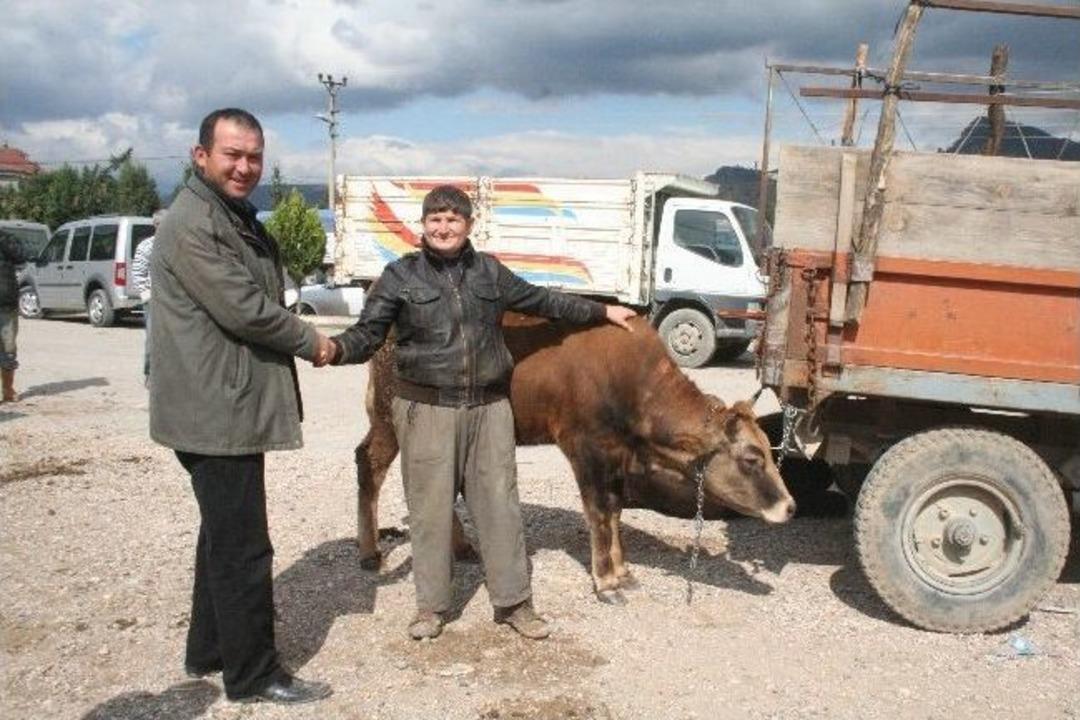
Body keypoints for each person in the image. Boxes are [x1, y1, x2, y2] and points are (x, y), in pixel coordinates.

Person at [327, 185, 636, 641]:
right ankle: (431, 608)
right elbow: (367, 333)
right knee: (430, 512)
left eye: (453, 218)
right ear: (424, 226)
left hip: (489, 407)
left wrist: (602, 310)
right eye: (435, 218)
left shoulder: (490, 272)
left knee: (500, 508)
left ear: (469, 225)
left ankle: (514, 604)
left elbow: (544, 301)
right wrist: (333, 349)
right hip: (426, 407)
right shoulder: (400, 276)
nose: (443, 226)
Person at [149, 108, 337, 705]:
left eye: (254, 156)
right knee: (244, 546)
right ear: (200, 155)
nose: (245, 166)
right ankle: (254, 675)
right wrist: (316, 342)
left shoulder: (228, 214)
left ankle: (208, 650)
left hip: (217, 404)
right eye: (232, 154)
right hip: (215, 410)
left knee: (220, 537)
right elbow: (244, 309)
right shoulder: (193, 224)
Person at [130, 209, 165, 385]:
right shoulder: (147, 246)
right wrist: (147, 296)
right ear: (156, 226)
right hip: (154, 300)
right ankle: (150, 372)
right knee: (153, 336)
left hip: (174, 300)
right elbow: (138, 273)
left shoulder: (178, 244)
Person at [0, 228, 31, 403]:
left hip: (6, 303)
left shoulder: (5, 238)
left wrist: (4, 239)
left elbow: (22, 256)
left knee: (8, 349)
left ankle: (7, 389)